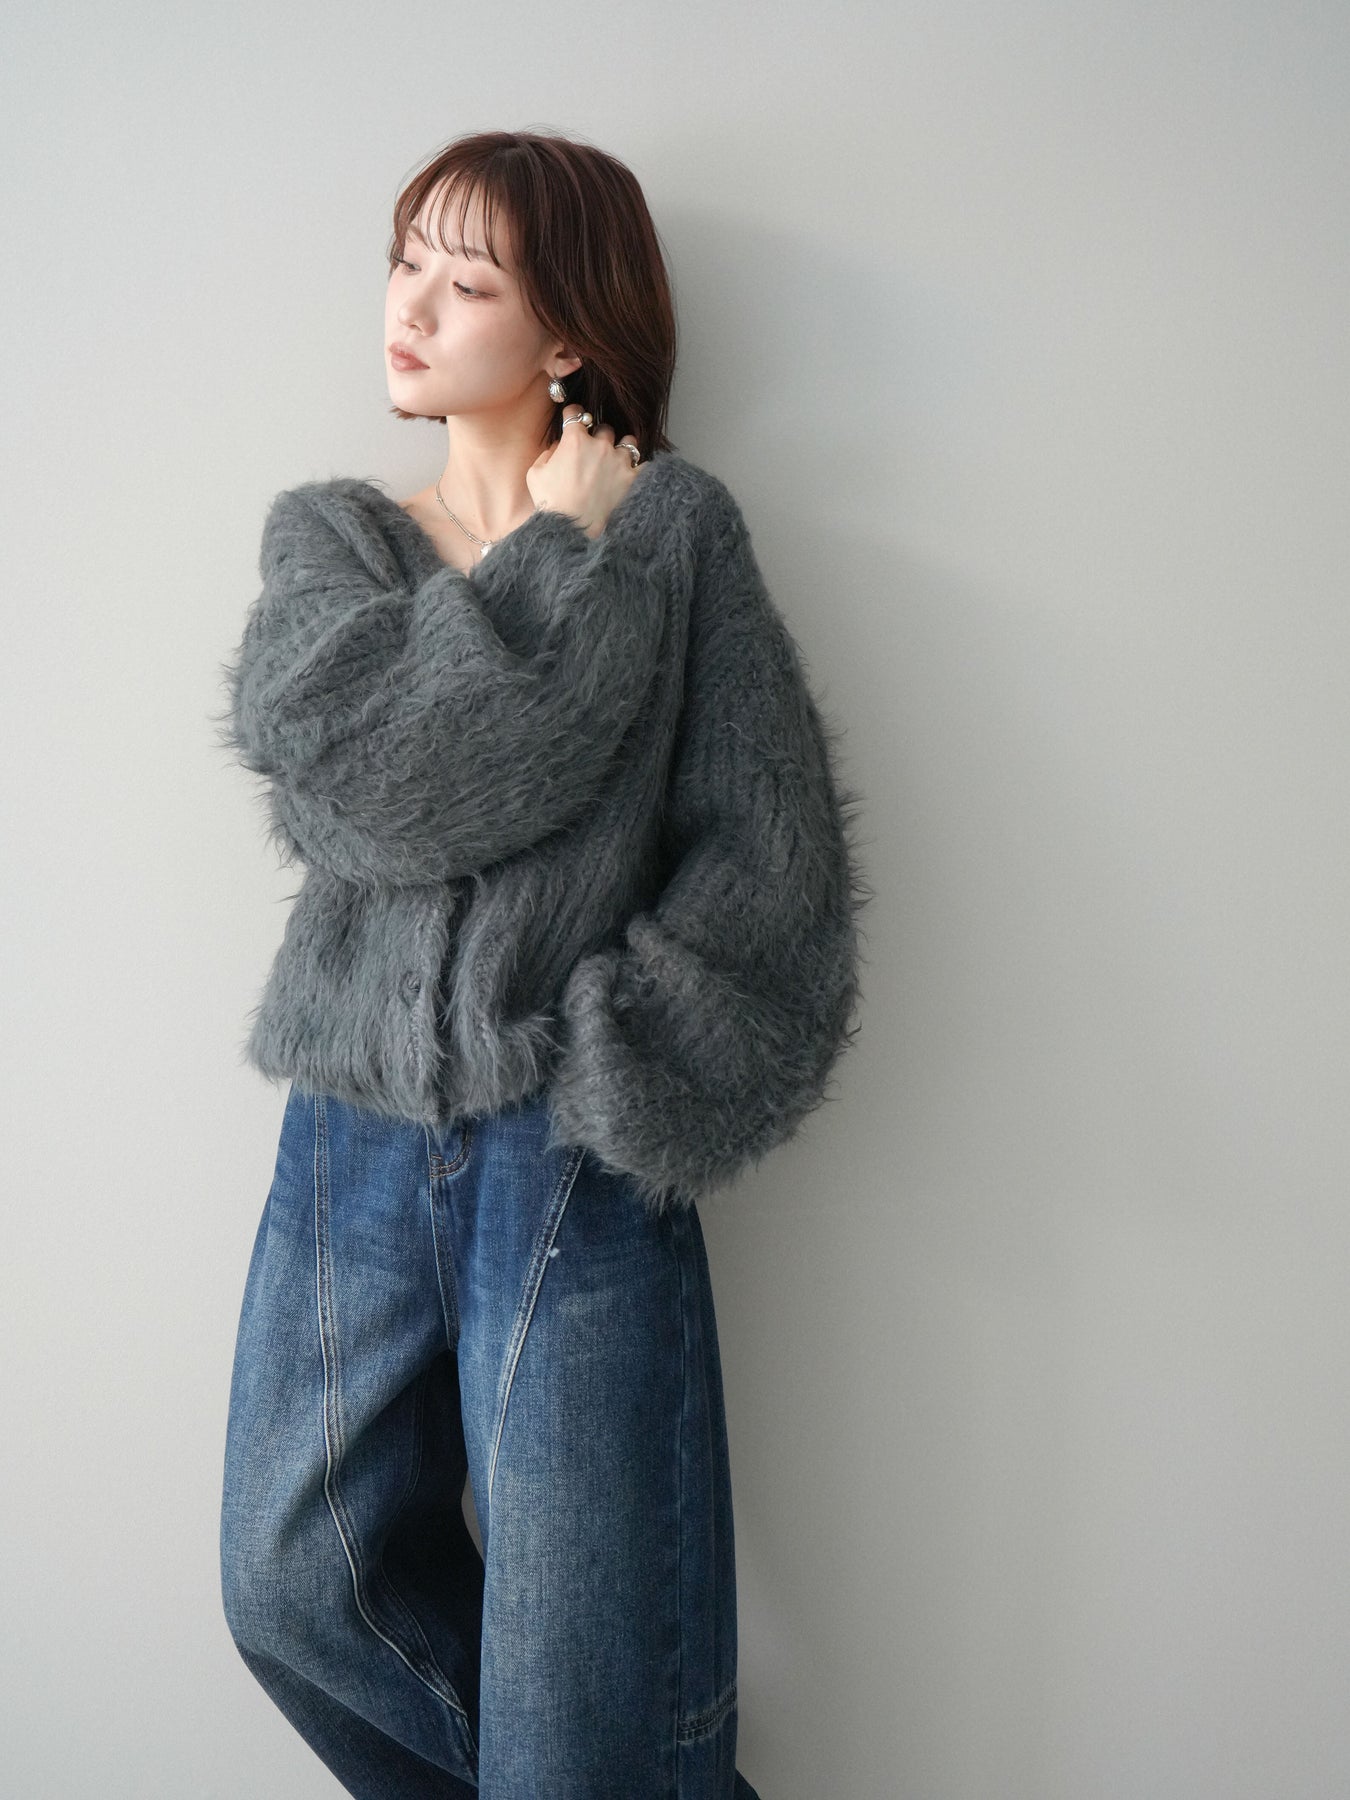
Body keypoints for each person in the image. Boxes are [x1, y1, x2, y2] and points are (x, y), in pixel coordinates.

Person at [217, 128, 867, 1800]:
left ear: (567, 330)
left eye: (467, 281)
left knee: (579, 1698)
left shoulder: (677, 535)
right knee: (293, 1588)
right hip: (351, 1133)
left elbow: (770, 856)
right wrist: (548, 562)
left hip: (568, 1144)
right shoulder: (335, 544)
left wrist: (616, 1051)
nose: (410, 308)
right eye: (403, 263)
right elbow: (377, 794)